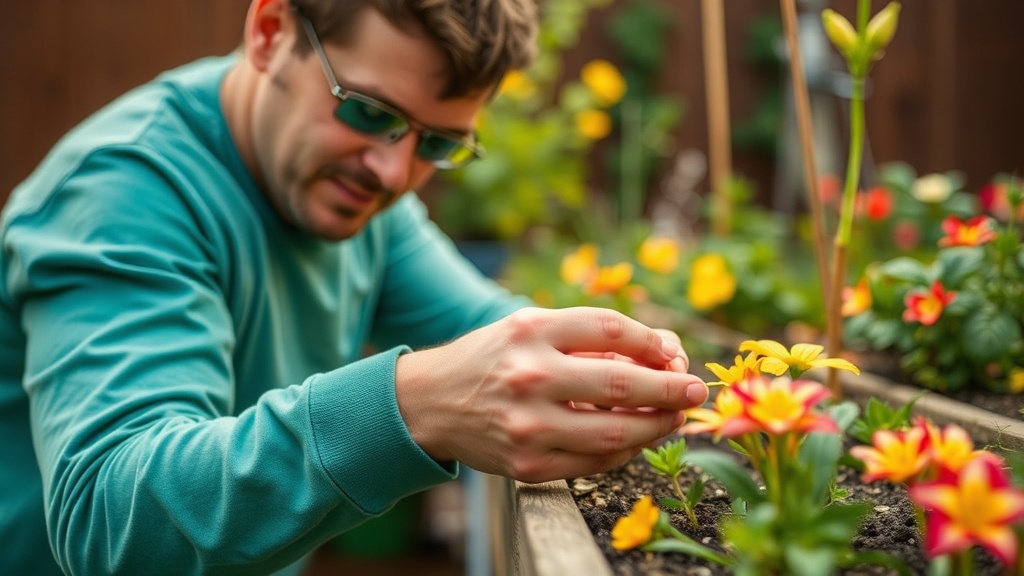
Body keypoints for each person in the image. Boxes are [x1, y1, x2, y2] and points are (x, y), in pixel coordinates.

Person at [0, 0, 709, 574]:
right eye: (370, 111)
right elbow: (108, 523)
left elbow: (486, 325)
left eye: (437, 144)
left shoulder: (354, 196)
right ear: (271, 31)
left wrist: (611, 370)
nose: (393, 175)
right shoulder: (124, 194)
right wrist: (413, 406)